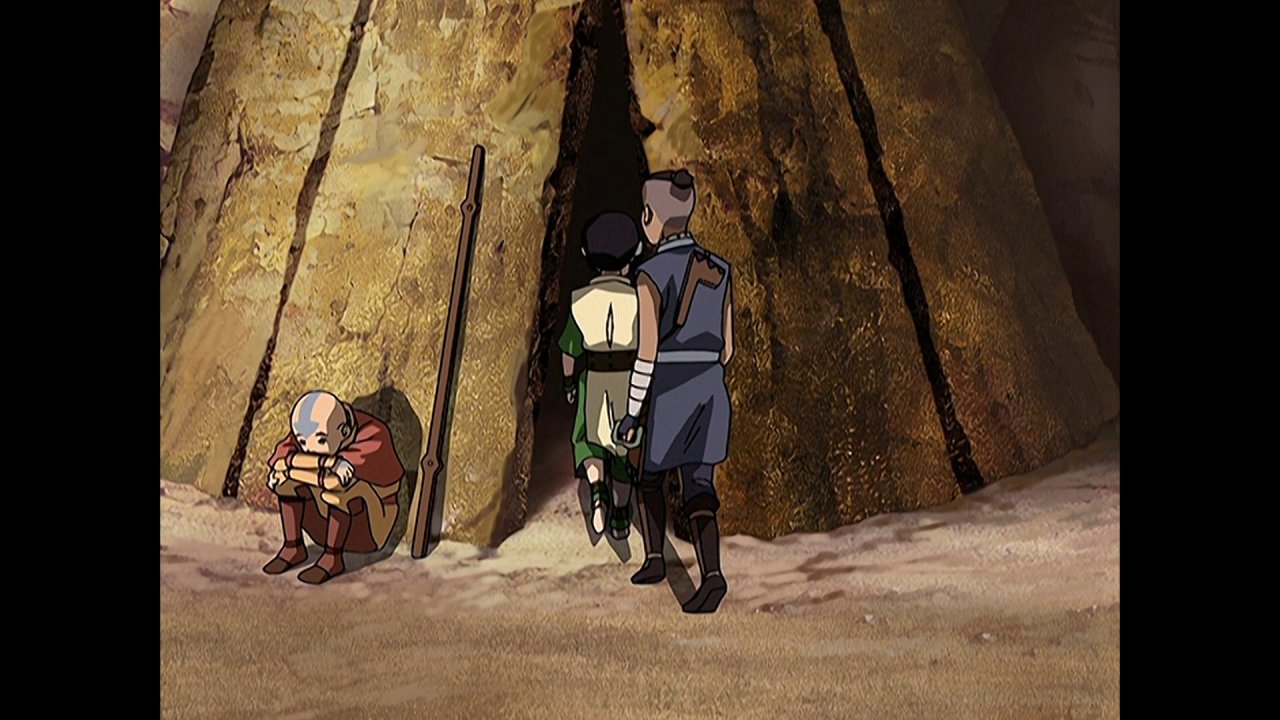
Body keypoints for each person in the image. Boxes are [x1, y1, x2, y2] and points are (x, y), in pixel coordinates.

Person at [616, 169, 734, 613]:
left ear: (650, 216)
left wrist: (632, 412)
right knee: (699, 486)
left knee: (649, 477)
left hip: (670, 389)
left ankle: (654, 558)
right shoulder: (721, 269)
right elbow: (728, 348)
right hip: (711, 387)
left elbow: (646, 353)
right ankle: (713, 574)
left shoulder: (648, 274)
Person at [261, 390, 405, 584]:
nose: (309, 449)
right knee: (284, 483)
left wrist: (290, 470)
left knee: (339, 491)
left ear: (344, 432)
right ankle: (293, 547)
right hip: (325, 521)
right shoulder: (313, 427)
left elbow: (333, 482)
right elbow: (279, 460)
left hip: (369, 529)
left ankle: (333, 558)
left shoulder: (372, 434)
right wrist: (327, 463)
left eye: (321, 441)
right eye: (302, 442)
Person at [558, 212, 643, 540]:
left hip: (592, 378)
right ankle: (620, 513)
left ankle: (596, 490)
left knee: (589, 441)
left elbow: (569, 350)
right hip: (628, 382)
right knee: (624, 447)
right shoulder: (639, 300)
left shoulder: (581, 301)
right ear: (633, 255)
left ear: (587, 255)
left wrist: (569, 383)